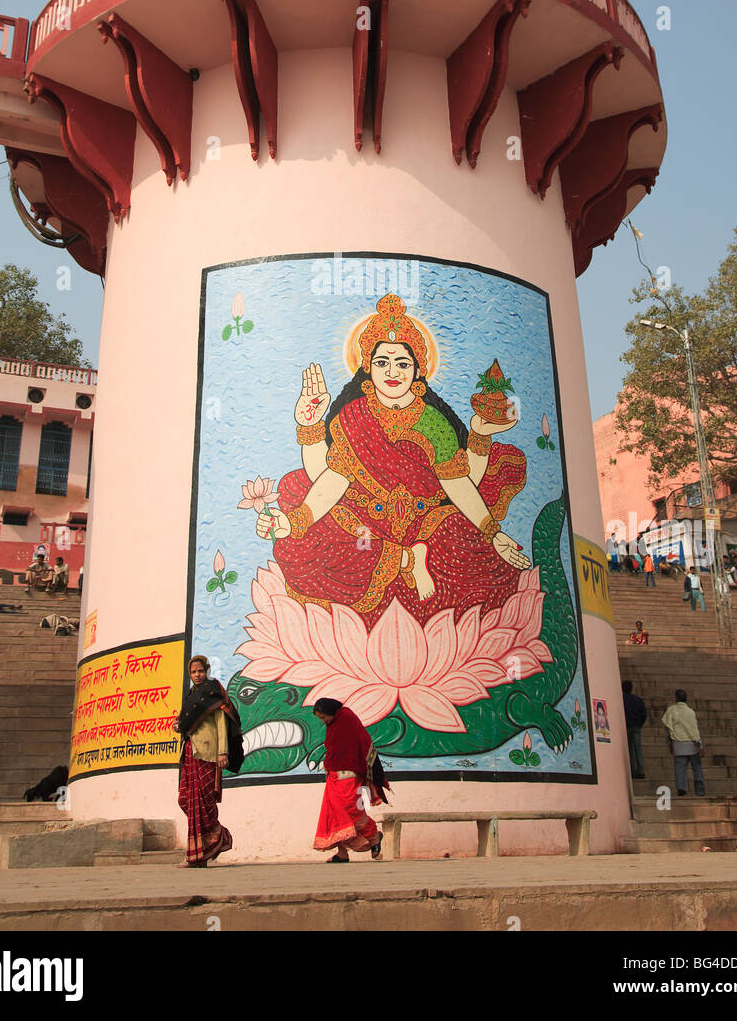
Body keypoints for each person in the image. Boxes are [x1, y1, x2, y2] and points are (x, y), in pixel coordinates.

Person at [253, 293, 530, 627]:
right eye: (383, 362)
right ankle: (405, 559)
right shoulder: (352, 415)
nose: (393, 372)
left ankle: (416, 555)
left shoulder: (433, 421)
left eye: (403, 363)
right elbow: (332, 479)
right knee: (306, 542)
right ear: (368, 367)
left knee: (467, 548)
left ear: (418, 370)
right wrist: (295, 520)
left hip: (423, 521)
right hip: (364, 520)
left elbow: (458, 483)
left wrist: (492, 531)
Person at [174, 655, 242, 867]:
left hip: (209, 753)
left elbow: (222, 723)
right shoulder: (191, 696)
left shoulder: (213, 692)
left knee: (203, 803)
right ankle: (214, 837)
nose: (197, 675)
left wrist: (223, 753)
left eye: (200, 671)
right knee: (187, 800)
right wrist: (178, 725)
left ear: (207, 671)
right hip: (191, 753)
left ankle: (197, 856)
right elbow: (186, 722)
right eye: (193, 672)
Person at [312, 697, 389, 862]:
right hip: (334, 774)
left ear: (331, 710)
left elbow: (353, 745)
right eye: (321, 719)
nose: (324, 721)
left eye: (324, 717)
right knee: (334, 814)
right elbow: (333, 747)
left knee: (350, 811)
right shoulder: (334, 724)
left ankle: (374, 836)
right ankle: (342, 853)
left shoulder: (346, 719)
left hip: (350, 773)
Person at [662, 689, 706, 797]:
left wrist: (669, 743)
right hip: (693, 745)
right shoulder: (690, 712)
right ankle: (700, 791)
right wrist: (700, 744)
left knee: (680, 768)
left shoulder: (671, 710)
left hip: (678, 744)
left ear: (676, 698)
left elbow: (667, 728)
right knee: (697, 769)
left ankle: (681, 788)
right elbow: (694, 729)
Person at [622, 680, 647, 780]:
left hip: (627, 726)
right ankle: (641, 770)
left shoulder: (622, 700)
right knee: (638, 749)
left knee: (629, 750)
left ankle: (631, 771)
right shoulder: (638, 700)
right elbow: (644, 714)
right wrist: (639, 724)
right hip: (636, 726)